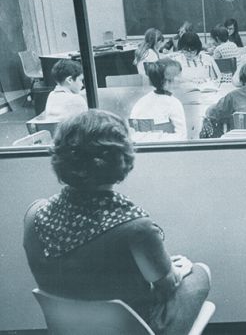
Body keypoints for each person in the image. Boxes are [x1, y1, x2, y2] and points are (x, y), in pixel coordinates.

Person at [23, 110, 212, 335]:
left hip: (71, 329)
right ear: (120, 158)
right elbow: (167, 285)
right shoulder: (136, 227)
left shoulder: (35, 214)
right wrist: (178, 270)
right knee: (200, 272)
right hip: (133, 329)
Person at [130, 59, 186, 141]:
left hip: (142, 148)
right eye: (179, 76)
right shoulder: (174, 103)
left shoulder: (142, 101)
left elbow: (133, 133)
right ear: (168, 81)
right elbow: (182, 136)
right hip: (167, 149)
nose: (182, 80)